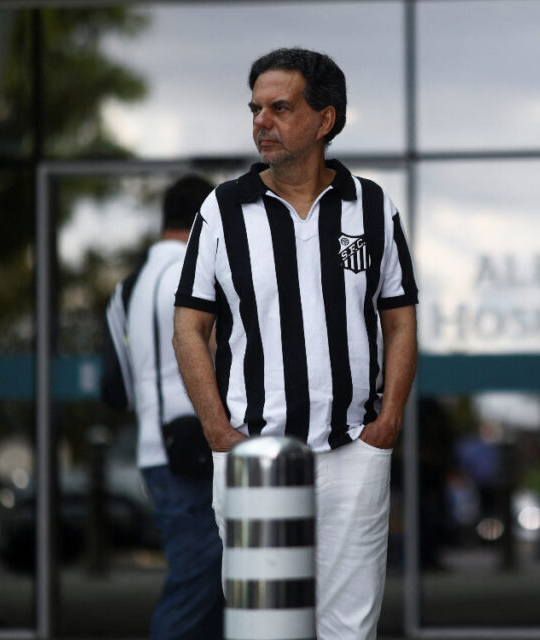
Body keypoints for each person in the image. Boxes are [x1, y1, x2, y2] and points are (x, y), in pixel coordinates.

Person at [172, 47, 418, 639]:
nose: (262, 122)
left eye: (280, 107)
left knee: (349, 630)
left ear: (324, 119)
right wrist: (219, 434)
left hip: (353, 455)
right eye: (256, 109)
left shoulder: (373, 206)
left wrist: (386, 425)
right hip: (252, 454)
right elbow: (190, 327)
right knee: (264, 630)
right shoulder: (223, 209)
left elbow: (401, 320)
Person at [100, 175, 223, 640]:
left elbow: (116, 387)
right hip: (200, 446)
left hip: (154, 448)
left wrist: (153, 403)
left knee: (208, 581)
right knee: (198, 579)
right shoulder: (199, 269)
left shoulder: (127, 287)